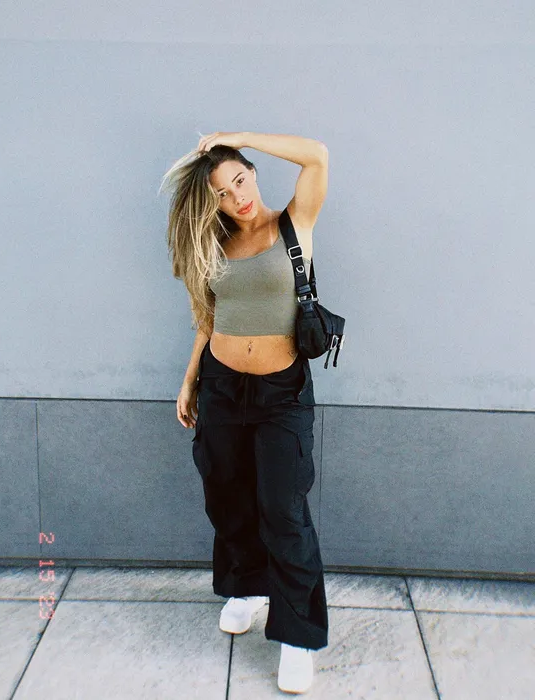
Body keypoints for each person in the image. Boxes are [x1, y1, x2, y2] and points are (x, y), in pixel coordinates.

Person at [160, 131, 329, 694]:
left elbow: (317, 156)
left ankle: (298, 637)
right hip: (222, 387)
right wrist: (190, 379)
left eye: (240, 179)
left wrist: (240, 138)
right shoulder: (216, 242)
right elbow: (208, 316)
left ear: (253, 173)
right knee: (226, 494)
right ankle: (248, 588)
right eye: (223, 193)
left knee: (283, 509)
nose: (238, 197)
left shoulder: (295, 223)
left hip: (281, 393)